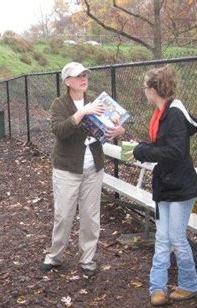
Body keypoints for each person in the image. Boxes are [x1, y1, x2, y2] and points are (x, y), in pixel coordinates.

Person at [41, 62, 125, 277]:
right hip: (67, 168)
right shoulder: (60, 104)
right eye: (78, 76)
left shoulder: (98, 102)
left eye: (85, 75)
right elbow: (59, 131)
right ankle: (55, 255)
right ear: (67, 81)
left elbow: (107, 129)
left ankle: (87, 258)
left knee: (90, 215)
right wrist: (82, 113)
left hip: (93, 167)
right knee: (64, 214)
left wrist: (116, 131)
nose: (83, 79)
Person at [132, 65, 197, 306]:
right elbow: (164, 146)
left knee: (176, 238)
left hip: (181, 187)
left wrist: (143, 151)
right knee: (163, 238)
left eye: (145, 88)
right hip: (165, 185)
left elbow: (174, 151)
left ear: (153, 89)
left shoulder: (173, 113)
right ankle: (157, 287)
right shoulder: (162, 113)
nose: (144, 92)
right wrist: (144, 147)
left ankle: (189, 284)